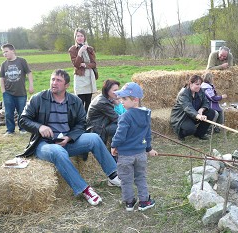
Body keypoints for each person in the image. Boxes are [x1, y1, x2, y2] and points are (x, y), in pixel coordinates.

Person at [18, 69, 121, 206]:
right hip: (44, 144)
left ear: (66, 85)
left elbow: (81, 124)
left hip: (67, 141)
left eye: (58, 80)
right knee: (58, 151)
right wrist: (39, 127)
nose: (54, 83)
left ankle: (113, 176)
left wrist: (69, 137)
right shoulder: (38, 98)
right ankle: (85, 189)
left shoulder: (75, 101)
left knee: (94, 138)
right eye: (53, 79)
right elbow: (23, 120)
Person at [110, 82, 158, 211]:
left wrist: (114, 146)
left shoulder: (125, 116)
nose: (121, 102)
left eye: (124, 99)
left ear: (135, 100)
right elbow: (147, 134)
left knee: (126, 180)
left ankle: (129, 202)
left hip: (125, 155)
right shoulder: (146, 114)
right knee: (140, 177)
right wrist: (149, 148)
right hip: (141, 154)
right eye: (121, 98)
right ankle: (144, 201)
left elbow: (120, 135)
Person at [0, 43, 34, 135]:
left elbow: (29, 73)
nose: (4, 54)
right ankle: (10, 130)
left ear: (12, 51)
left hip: (21, 92)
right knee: (8, 112)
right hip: (8, 93)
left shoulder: (22, 61)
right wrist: (3, 91)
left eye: (6, 51)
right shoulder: (3, 64)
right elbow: (1, 78)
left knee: (22, 112)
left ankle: (22, 128)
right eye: (3, 52)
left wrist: (31, 85)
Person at [170, 75, 218, 141]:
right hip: (182, 116)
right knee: (191, 129)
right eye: (197, 84)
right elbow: (187, 107)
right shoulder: (183, 93)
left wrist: (202, 109)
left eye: (200, 84)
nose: (199, 86)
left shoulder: (200, 90)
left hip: (194, 114)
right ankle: (181, 134)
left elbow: (206, 102)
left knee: (211, 112)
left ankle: (199, 134)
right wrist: (197, 115)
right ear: (190, 83)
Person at [68, 28, 98, 113]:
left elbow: (94, 64)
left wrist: (85, 65)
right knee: (80, 101)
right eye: (78, 36)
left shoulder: (90, 49)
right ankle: (80, 119)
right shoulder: (72, 49)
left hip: (89, 76)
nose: (80, 38)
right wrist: (80, 52)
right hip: (80, 77)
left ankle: (87, 119)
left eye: (81, 35)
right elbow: (76, 65)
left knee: (88, 101)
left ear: (85, 37)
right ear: (75, 37)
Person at [86, 79, 123, 144]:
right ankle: (112, 150)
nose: (117, 92)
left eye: (118, 90)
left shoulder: (108, 98)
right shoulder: (102, 102)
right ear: (107, 90)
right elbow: (117, 118)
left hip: (103, 124)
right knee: (120, 127)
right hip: (97, 129)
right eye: (115, 90)